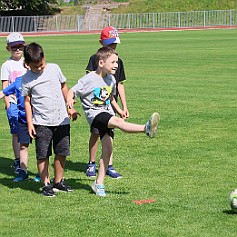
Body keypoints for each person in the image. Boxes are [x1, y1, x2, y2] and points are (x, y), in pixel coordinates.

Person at [67, 46, 160, 197]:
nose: (116, 65)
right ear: (101, 63)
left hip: (107, 112)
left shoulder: (111, 79)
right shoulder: (88, 78)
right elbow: (72, 91)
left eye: (117, 62)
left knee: (107, 150)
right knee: (117, 122)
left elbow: (109, 98)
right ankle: (145, 128)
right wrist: (69, 101)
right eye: (113, 62)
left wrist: (120, 109)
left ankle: (99, 184)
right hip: (95, 115)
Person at [21, 42, 78, 197]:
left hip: (61, 120)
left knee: (62, 152)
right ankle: (46, 184)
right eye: (35, 67)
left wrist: (70, 107)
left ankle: (58, 181)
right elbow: (27, 101)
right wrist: (30, 122)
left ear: (44, 58)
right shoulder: (26, 79)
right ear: (27, 64)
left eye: (41, 65)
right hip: (41, 122)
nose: (39, 68)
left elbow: (64, 87)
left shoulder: (54, 69)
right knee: (43, 154)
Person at [85, 26, 129, 178]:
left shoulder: (118, 62)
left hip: (112, 103)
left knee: (109, 134)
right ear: (101, 42)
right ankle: (91, 163)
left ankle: (109, 165)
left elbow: (120, 84)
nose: (112, 47)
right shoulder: (95, 59)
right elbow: (89, 81)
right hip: (98, 104)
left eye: (114, 44)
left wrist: (124, 106)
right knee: (96, 133)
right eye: (109, 44)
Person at [0, 75, 41, 182]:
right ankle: (23, 173)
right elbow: (3, 92)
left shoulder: (38, 80)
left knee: (41, 146)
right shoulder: (18, 81)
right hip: (22, 119)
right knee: (23, 145)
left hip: (38, 119)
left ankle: (41, 173)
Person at [1, 32, 27, 174]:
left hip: (27, 103)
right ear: (8, 48)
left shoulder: (27, 62)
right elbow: (5, 85)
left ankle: (25, 159)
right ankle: (18, 160)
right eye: (14, 47)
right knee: (16, 133)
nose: (17, 50)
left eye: (20, 47)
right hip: (13, 102)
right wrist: (8, 103)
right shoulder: (7, 65)